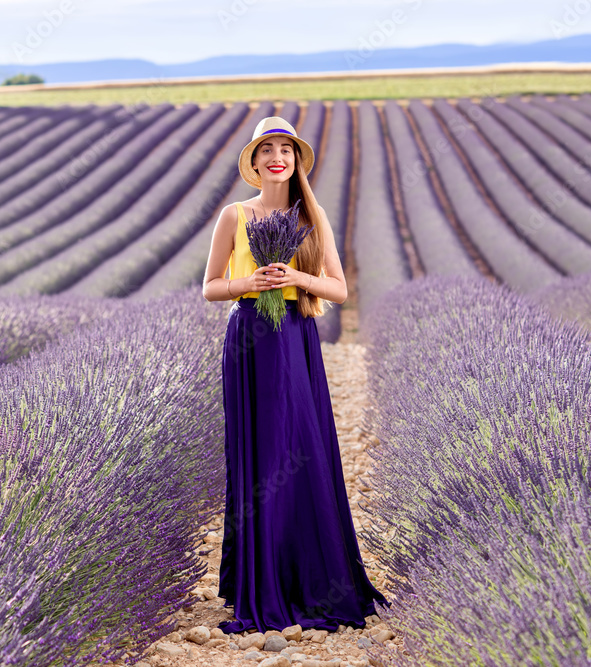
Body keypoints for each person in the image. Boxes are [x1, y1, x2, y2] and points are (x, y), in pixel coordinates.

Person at [201, 116, 388, 634]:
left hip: (295, 338)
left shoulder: (313, 216)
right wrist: (250, 282)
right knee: (259, 455)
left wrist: (294, 277)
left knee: (301, 446)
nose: (277, 156)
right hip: (250, 339)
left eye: (286, 148)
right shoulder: (233, 215)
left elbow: (338, 290)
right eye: (267, 149)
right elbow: (211, 287)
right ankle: (259, 585)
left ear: (296, 160)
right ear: (255, 162)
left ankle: (309, 579)